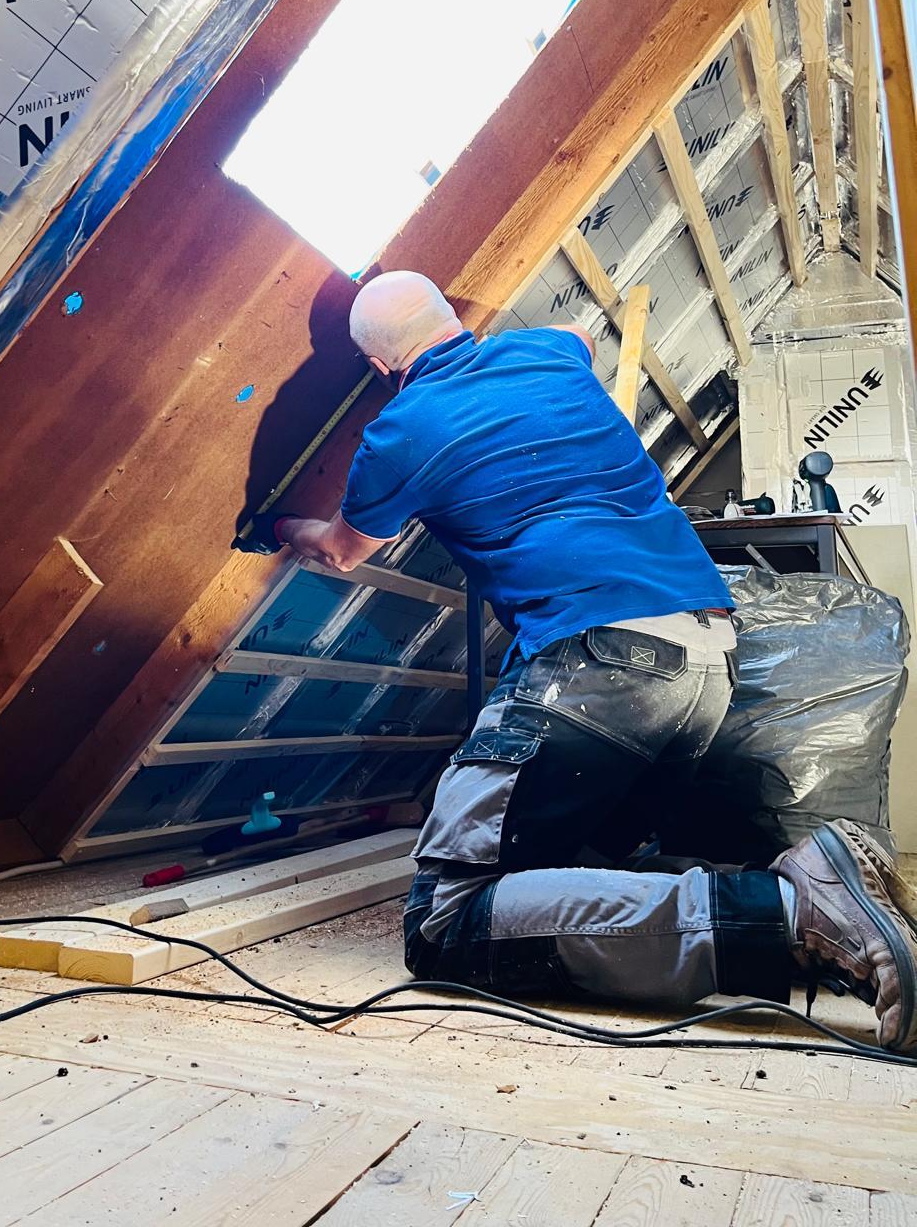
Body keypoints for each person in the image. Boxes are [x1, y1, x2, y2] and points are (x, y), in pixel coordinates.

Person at [246, 269, 917, 1052]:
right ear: (449, 318)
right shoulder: (545, 351)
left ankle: (791, 913)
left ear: (378, 366)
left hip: (601, 663)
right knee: (570, 867)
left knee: (444, 920)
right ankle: (807, 896)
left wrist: (278, 524)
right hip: (708, 654)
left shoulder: (401, 431)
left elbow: (342, 549)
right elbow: (581, 335)